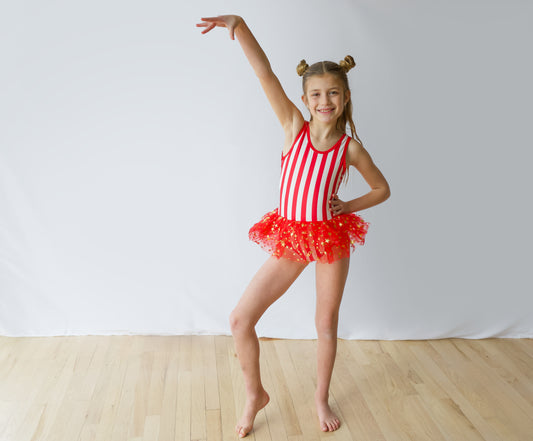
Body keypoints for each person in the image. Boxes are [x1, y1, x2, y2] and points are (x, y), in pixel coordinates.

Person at [196, 15, 390, 438]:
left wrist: (347, 206)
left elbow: (382, 189)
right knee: (240, 319)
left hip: (331, 240)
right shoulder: (293, 128)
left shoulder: (349, 148)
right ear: (304, 99)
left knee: (325, 323)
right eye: (316, 94)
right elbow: (263, 71)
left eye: (333, 93)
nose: (325, 100)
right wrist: (240, 27)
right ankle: (254, 395)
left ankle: (320, 397)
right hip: (292, 237)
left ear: (345, 96)